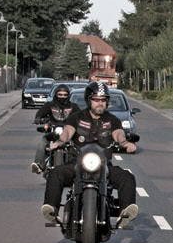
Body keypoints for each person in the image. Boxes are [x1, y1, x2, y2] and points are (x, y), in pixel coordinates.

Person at [41, 81, 138, 226]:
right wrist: (59, 142)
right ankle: (51, 209)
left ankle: (125, 213)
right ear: (89, 100)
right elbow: (67, 132)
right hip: (77, 163)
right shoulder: (76, 117)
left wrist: (125, 143)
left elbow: (119, 134)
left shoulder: (112, 120)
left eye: (103, 100)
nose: (100, 103)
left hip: (103, 165)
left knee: (128, 177)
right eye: (96, 99)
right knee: (55, 173)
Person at [31, 84, 79, 174]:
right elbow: (41, 112)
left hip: (68, 132)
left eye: (65, 95)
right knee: (43, 141)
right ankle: (39, 164)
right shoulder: (49, 105)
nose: (62, 97)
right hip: (53, 132)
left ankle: (81, 165)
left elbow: (79, 115)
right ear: (56, 94)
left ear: (68, 96)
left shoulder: (73, 106)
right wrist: (38, 118)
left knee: (79, 143)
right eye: (60, 94)